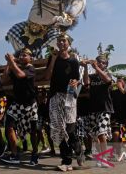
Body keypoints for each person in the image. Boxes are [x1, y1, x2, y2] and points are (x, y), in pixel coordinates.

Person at [45, 33, 83, 172]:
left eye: (64, 41)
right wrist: (54, 59)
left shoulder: (73, 61)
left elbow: (77, 80)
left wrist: (75, 82)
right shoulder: (52, 58)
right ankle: (66, 161)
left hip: (69, 97)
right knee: (58, 128)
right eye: (59, 41)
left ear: (68, 44)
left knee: (70, 128)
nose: (61, 43)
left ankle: (78, 149)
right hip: (55, 97)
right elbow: (47, 76)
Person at [0, 48, 39, 166]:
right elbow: (4, 79)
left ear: (30, 58)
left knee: (33, 131)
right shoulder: (15, 67)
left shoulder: (31, 68)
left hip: (30, 104)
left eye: (25, 55)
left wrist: (12, 62)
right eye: (21, 55)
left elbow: (20, 75)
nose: (22, 57)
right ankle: (15, 154)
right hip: (17, 104)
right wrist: (8, 63)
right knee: (9, 127)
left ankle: (35, 154)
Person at [80, 51, 113, 167]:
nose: (99, 64)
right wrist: (85, 67)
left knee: (101, 132)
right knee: (95, 135)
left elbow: (108, 81)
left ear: (106, 64)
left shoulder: (108, 74)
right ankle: (101, 157)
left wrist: (96, 68)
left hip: (104, 108)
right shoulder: (92, 76)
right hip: (93, 109)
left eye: (101, 62)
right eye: (97, 62)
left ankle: (104, 158)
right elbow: (86, 83)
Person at [36, 88, 55, 156]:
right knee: (38, 131)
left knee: (48, 133)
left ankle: (52, 150)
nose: (42, 97)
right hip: (41, 116)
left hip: (47, 116)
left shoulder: (49, 100)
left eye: (44, 95)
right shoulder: (40, 100)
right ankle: (37, 148)